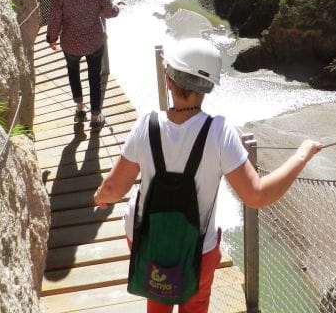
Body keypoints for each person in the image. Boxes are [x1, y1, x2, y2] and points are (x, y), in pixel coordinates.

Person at [93, 37, 323, 312]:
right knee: (195, 302)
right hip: (198, 246)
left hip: (146, 234)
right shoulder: (219, 132)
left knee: (158, 296)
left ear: (168, 79)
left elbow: (113, 190)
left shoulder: (146, 124)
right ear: (209, 87)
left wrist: (100, 196)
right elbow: (257, 196)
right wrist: (302, 154)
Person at [47, 0, 124, 128]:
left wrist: (52, 39)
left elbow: (55, 19)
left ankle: (80, 109)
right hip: (94, 42)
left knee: (73, 73)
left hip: (70, 44)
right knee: (94, 77)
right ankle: (96, 118)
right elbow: (109, 12)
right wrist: (117, 5)